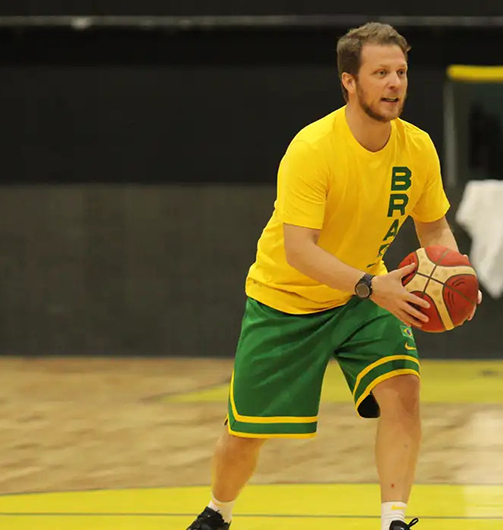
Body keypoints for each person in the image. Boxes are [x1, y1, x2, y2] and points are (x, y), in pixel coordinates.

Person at [186, 21, 481, 530]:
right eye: (381, 73)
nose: (395, 83)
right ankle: (218, 512)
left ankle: (394, 520)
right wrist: (373, 286)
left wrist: (452, 275)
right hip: (288, 301)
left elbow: (433, 228)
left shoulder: (418, 148)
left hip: (366, 296)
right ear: (349, 81)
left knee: (402, 391)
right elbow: (300, 251)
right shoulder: (313, 148)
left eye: (402, 72)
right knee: (244, 436)